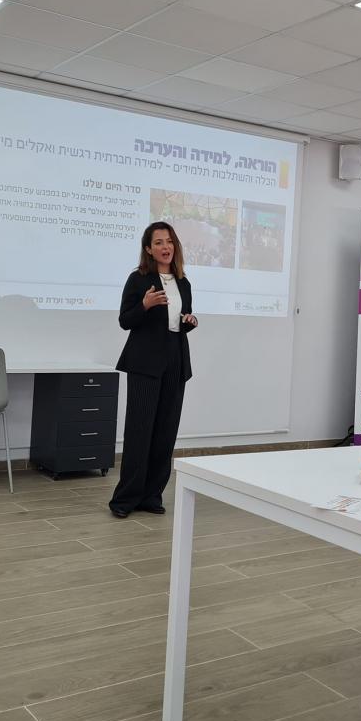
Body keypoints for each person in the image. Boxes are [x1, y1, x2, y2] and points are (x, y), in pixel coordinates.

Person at [108, 222, 198, 519]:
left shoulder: (183, 282)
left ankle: (151, 496)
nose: (165, 247)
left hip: (175, 360)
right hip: (145, 362)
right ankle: (125, 499)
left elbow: (178, 321)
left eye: (169, 241)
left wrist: (189, 322)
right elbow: (125, 321)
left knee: (165, 432)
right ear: (148, 249)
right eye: (158, 242)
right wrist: (145, 305)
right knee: (140, 431)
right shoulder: (138, 279)